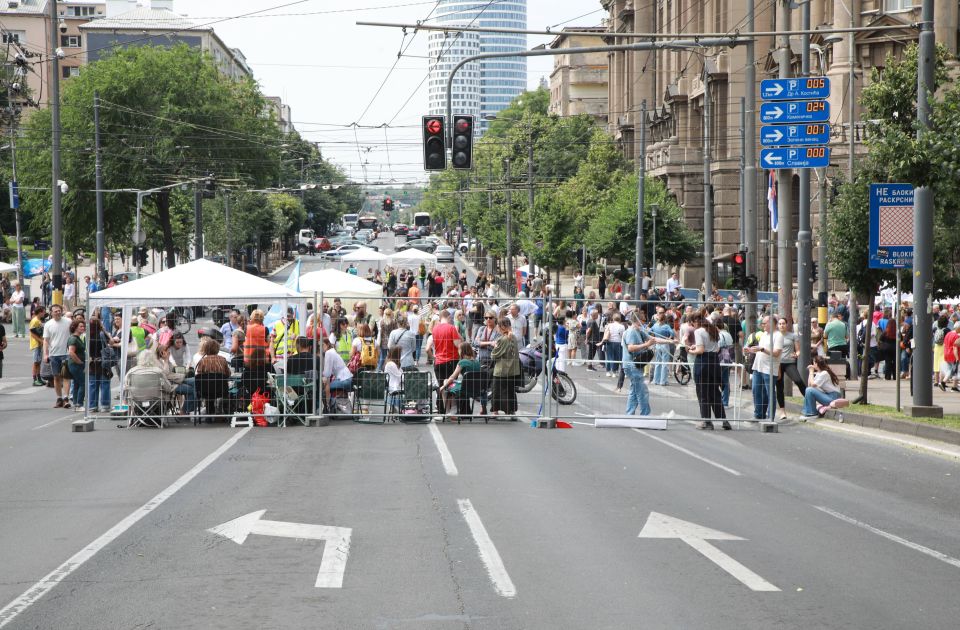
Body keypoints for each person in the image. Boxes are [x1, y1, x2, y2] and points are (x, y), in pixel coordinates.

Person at [687, 311, 728, 430]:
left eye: (692, 323)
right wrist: (699, 347)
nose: (692, 325)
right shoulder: (713, 329)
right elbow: (716, 347)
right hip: (714, 362)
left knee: (702, 392)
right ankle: (724, 420)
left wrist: (691, 351)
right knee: (715, 392)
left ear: (696, 321)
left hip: (703, 362)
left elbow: (700, 350)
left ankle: (706, 421)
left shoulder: (699, 331)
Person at [747, 315, 783, 421]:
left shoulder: (778, 335)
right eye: (762, 323)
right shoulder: (764, 334)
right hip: (758, 366)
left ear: (772, 324)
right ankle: (758, 414)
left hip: (769, 368)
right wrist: (750, 350)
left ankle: (770, 416)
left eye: (764, 323)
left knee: (769, 392)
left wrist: (762, 349)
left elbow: (776, 353)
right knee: (756, 390)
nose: (763, 325)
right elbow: (760, 349)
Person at [622, 312, 658, 417]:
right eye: (643, 321)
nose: (645, 323)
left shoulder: (639, 331)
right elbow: (631, 347)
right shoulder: (631, 332)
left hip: (637, 364)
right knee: (642, 391)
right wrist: (646, 344)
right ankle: (645, 415)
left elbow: (653, 340)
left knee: (634, 391)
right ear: (638, 321)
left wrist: (670, 341)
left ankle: (629, 414)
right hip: (632, 365)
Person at [773, 317, 806, 421]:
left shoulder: (793, 336)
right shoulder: (774, 336)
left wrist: (796, 354)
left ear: (787, 325)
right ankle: (782, 411)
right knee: (779, 387)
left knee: (798, 380)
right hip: (777, 364)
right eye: (780, 324)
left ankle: (809, 400)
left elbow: (798, 350)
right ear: (777, 325)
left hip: (789, 363)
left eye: (783, 323)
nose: (782, 325)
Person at [441, 341, 485, 416]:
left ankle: (449, 412)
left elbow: (452, 377)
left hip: (464, 389)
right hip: (476, 389)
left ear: (462, 351)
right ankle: (452, 410)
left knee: (446, 383)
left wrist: (443, 387)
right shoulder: (477, 362)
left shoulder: (462, 362)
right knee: (451, 384)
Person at [489, 318, 520, 418]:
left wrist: (494, 346)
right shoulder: (513, 337)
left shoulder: (502, 339)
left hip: (501, 369)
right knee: (510, 392)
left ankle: (495, 411)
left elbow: (494, 355)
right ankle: (511, 412)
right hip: (512, 370)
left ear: (501, 327)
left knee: (497, 391)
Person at [43, 304, 72, 408]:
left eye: (59, 310)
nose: (58, 312)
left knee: (66, 376)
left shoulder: (68, 322)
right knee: (56, 377)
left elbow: (74, 334)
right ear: (51, 313)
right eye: (55, 311)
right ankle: (59, 398)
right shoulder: (48, 324)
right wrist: (45, 354)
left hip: (66, 354)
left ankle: (66, 398)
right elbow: (46, 341)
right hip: (54, 354)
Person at [87, 317, 115, 413]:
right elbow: (111, 341)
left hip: (91, 362)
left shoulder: (87, 335)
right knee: (105, 383)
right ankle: (105, 405)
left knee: (92, 384)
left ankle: (92, 406)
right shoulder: (102, 334)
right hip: (103, 361)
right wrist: (104, 330)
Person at [429, 309, 461, 385]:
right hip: (451, 360)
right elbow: (458, 344)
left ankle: (441, 397)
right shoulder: (451, 328)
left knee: (441, 386)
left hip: (439, 361)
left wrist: (433, 358)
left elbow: (429, 347)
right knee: (451, 386)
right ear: (449, 317)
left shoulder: (434, 329)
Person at [321, 336, 353, 408]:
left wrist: (322, 375)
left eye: (322, 345)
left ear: (327, 344)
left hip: (344, 380)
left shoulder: (328, 353)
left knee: (323, 389)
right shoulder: (332, 351)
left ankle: (329, 407)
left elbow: (327, 373)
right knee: (328, 385)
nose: (321, 348)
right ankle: (333, 407)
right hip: (347, 378)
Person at [648, 312, 675, 385]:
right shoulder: (666, 326)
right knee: (664, 363)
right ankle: (663, 381)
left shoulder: (655, 325)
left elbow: (648, 332)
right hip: (665, 344)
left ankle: (656, 380)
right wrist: (669, 338)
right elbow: (672, 333)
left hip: (657, 344)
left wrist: (653, 337)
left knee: (657, 363)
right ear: (664, 319)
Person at [599, 312, 625, 377]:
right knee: (617, 358)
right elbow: (623, 335)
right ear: (620, 319)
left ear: (613, 319)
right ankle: (614, 371)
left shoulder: (609, 325)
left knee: (609, 357)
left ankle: (608, 371)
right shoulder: (622, 326)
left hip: (609, 342)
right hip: (618, 343)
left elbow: (605, 334)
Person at [29, 305, 46, 386]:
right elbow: (32, 333)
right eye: (43, 311)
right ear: (40, 312)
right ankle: (35, 379)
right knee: (36, 362)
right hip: (36, 344)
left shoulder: (38, 321)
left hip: (39, 343)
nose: (44, 313)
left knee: (39, 362)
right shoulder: (35, 321)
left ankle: (39, 377)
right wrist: (40, 341)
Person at [384, 346, 404, 411]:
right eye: (400, 353)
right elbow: (401, 376)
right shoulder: (391, 364)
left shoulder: (394, 363)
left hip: (397, 385)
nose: (401, 355)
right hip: (394, 387)